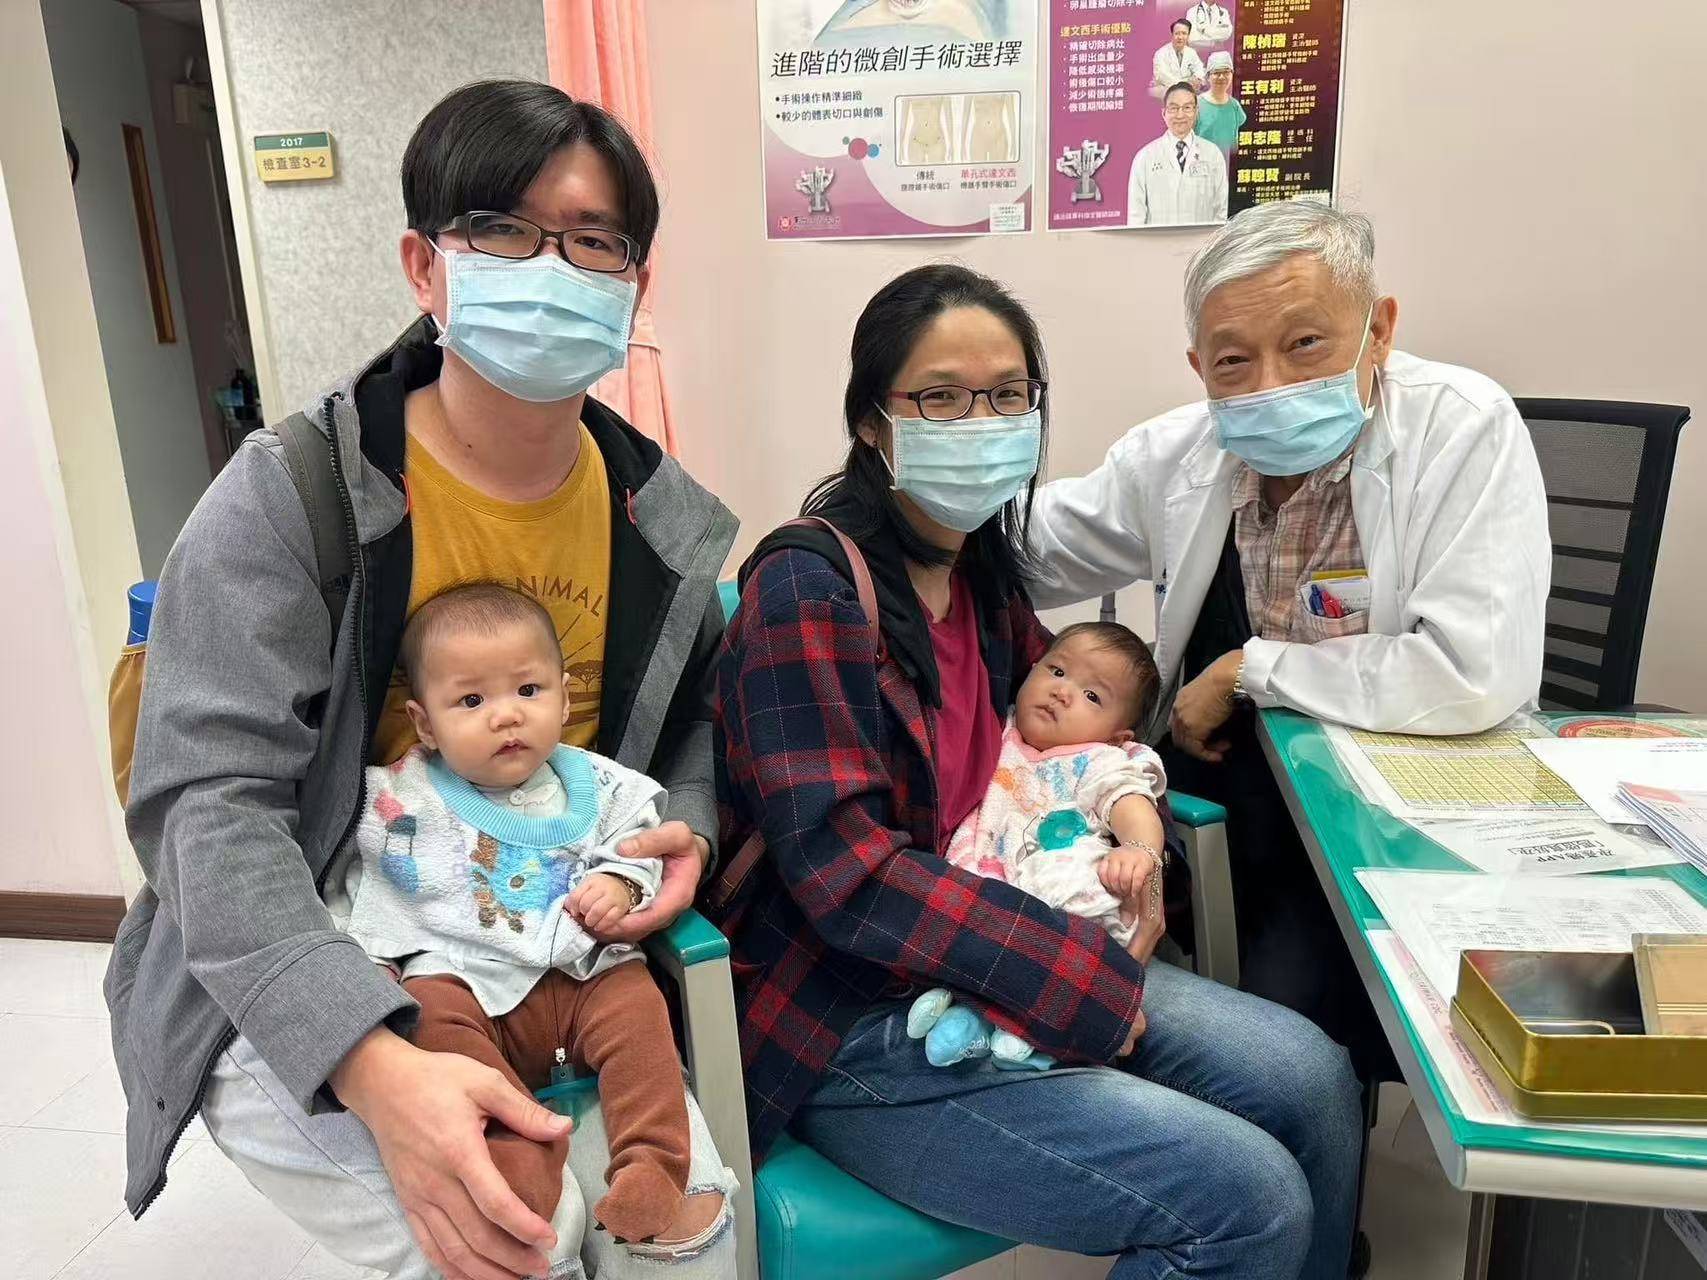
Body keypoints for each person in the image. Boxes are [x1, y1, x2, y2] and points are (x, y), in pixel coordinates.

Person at [109, 79, 738, 1280]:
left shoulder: (659, 521)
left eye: (593, 240)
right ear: (423, 264)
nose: (550, 266)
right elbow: (206, 806)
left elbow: (696, 721)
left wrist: (687, 826)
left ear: (634, 283)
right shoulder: (294, 497)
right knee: (520, 1245)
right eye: (501, 230)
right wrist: (369, 1058)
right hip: (319, 941)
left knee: (689, 1244)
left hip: (554, 943)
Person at [715, 262, 1363, 1279]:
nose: (981, 421)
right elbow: (848, 876)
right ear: (874, 421)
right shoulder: (808, 590)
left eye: (1007, 393)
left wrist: (1136, 833)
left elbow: (1080, 744)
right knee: (1247, 1202)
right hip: (859, 1011)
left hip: (1007, 937)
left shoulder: (978, 573)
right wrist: (1078, 976)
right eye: (940, 396)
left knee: (1316, 1081)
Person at [1027, 200, 1550, 1078]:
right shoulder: (1179, 451)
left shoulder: (1461, 426)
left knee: (1306, 1032)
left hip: (1387, 804)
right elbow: (1026, 548)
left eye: (1305, 343)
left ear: (1378, 330)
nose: (1269, 386)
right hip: (1227, 802)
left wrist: (1247, 668)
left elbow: (1469, 672)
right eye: (1233, 360)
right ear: (1198, 366)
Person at [341, 583, 692, 1247]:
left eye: (528, 691)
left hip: (584, 972)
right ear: (424, 723)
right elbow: (361, 880)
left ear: (563, 697)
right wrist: (373, 961)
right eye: (472, 701)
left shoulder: (599, 783)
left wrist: (619, 882)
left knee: (639, 1008)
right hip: (465, 981)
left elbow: (640, 842)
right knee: (428, 1017)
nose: (506, 716)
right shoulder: (399, 800)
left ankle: (653, 1163)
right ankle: (518, 1158)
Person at [910, 621, 1169, 1070]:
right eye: (1057, 671)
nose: (1063, 693)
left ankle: (1029, 1043)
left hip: (1064, 910)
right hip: (988, 893)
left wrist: (1140, 851)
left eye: (1093, 696)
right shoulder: (998, 728)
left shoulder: (1097, 759)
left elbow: (1131, 802)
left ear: (1118, 736)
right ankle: (964, 1015)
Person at [1128, 83, 1229, 226]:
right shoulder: (1145, 157)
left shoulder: (1213, 154)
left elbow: (1221, 209)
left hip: (1202, 239)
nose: (1180, 115)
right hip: (1158, 239)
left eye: (1187, 108)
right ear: (1164, 113)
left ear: (1196, 111)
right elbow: (1136, 216)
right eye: (1174, 108)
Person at [1196, 51, 1247, 159]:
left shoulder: (1234, 105)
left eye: (1226, 72)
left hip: (1228, 161)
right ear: (1208, 76)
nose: (1222, 77)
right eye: (1216, 73)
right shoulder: (1196, 105)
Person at [1151, 18, 1207, 96]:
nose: (1180, 37)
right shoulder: (1161, 53)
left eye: (1184, 33)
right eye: (1177, 33)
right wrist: (1185, 84)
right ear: (1172, 34)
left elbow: (1199, 68)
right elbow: (1162, 76)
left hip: (1188, 90)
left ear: (1188, 35)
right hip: (1167, 90)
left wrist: (1197, 79)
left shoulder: (1191, 52)